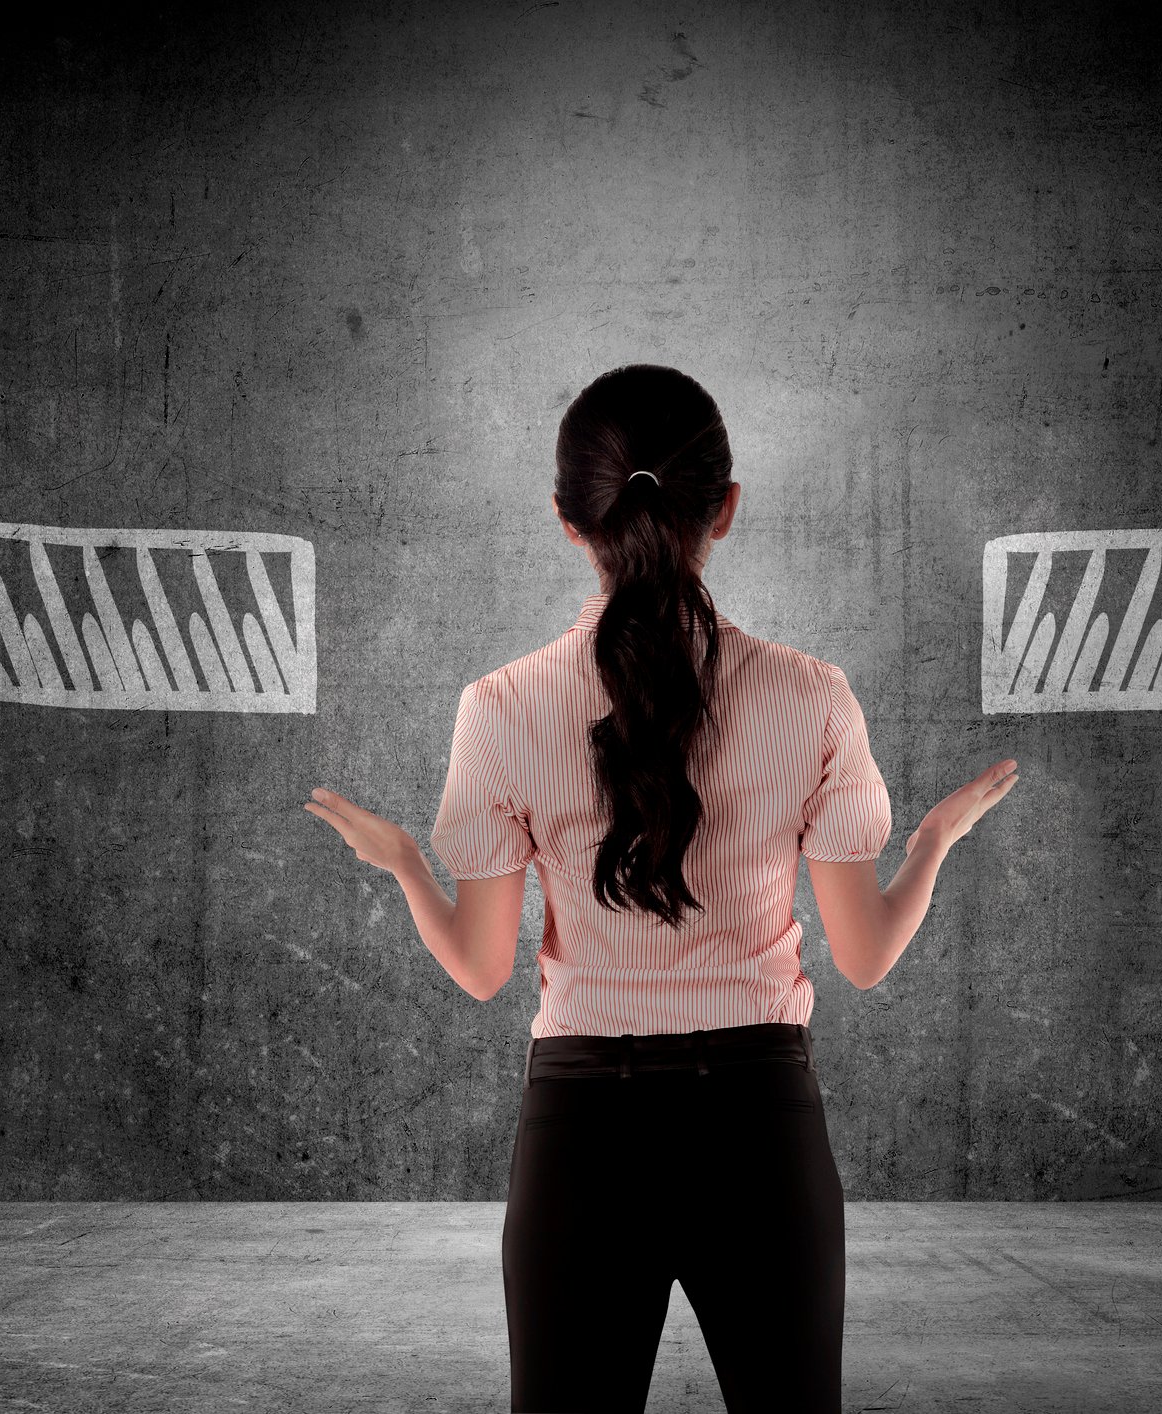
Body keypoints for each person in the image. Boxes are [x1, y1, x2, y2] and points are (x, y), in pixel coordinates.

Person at [304, 364, 1019, 1412]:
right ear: (725, 508)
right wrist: (934, 840)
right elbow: (864, 955)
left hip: (582, 1136)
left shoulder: (499, 708)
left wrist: (410, 864)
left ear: (567, 518)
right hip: (762, 1128)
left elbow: (481, 967)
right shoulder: (813, 698)